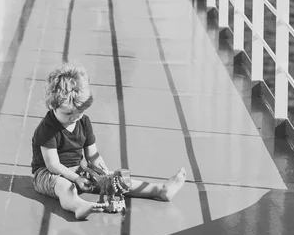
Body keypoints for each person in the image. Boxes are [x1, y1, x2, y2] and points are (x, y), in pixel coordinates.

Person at [31, 63, 187, 220]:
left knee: (118, 179)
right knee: (65, 186)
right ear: (52, 105)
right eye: (68, 113)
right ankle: (78, 206)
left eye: (79, 112)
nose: (74, 117)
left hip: (77, 169)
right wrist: (76, 178)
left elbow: (92, 155)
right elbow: (53, 165)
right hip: (48, 174)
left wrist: (102, 172)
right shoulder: (47, 128)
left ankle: (160, 190)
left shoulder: (83, 122)